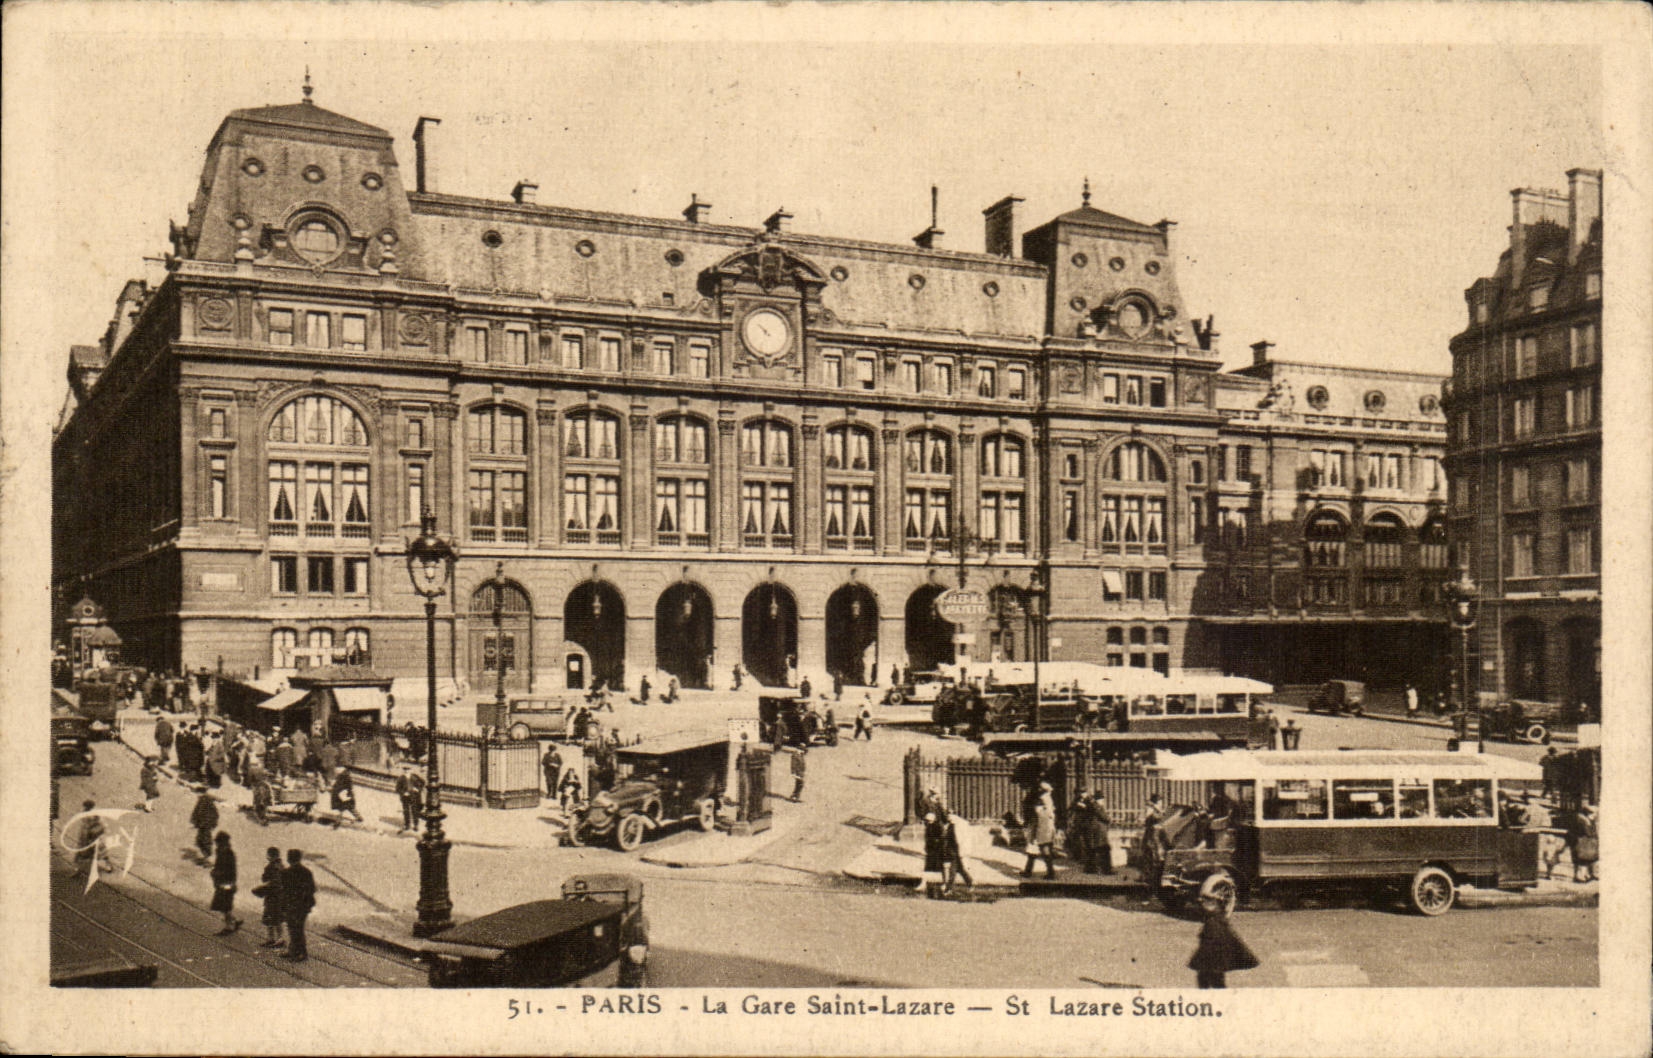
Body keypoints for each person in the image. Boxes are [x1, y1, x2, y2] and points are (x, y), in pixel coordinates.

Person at [1188, 892, 1259, 988]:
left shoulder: (1215, 921)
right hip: (1212, 954)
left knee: (1212, 979)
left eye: (1208, 902)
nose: (1204, 904)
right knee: (1209, 978)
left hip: (1213, 954)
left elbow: (1214, 940)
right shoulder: (1216, 918)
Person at [279, 849, 316, 961]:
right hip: (304, 905)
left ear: (289, 859)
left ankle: (301, 953)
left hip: (292, 905)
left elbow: (284, 889)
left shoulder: (286, 872)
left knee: (294, 929)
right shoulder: (307, 871)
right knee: (298, 928)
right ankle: (294, 950)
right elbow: (312, 889)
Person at [1021, 782, 1058, 880]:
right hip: (1046, 828)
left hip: (1041, 828)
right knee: (1035, 849)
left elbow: (1040, 816)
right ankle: (1028, 871)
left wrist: (1034, 831)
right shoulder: (1048, 799)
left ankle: (1050, 873)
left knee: (1043, 850)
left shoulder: (1042, 799)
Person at [252, 846, 285, 948]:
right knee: (276, 919)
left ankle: (274, 938)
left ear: (270, 856)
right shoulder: (281, 866)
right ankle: (277, 938)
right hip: (279, 897)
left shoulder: (271, 867)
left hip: (272, 897)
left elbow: (269, 881)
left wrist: (263, 886)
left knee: (272, 918)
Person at [210, 831, 242, 935]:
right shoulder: (222, 852)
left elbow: (228, 870)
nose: (217, 844)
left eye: (219, 842)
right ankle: (234, 921)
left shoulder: (227, 853)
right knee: (223, 905)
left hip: (226, 883)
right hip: (223, 883)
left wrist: (216, 873)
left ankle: (229, 926)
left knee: (224, 905)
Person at [941, 808, 973, 891]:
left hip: (959, 851)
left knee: (953, 870)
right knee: (960, 870)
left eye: (951, 815)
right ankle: (969, 883)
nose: (949, 817)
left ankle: (948, 889)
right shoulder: (949, 825)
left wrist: (964, 851)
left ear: (955, 815)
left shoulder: (962, 824)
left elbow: (966, 839)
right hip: (951, 850)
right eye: (948, 815)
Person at [919, 812, 947, 898]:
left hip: (938, 850)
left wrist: (938, 844)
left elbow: (942, 837)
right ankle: (923, 883)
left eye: (928, 820)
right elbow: (927, 838)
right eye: (927, 820)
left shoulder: (938, 826)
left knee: (942, 868)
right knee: (927, 868)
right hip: (931, 851)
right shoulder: (928, 826)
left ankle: (945, 884)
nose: (927, 822)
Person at [1569, 804, 1598, 882]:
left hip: (1580, 843)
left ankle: (1582, 876)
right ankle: (1580, 877)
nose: (1595, 816)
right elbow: (1589, 833)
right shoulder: (1584, 821)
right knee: (1583, 861)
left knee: (1582, 861)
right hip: (1583, 844)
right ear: (1589, 813)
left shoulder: (1581, 818)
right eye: (1594, 814)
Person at [190, 788, 219, 863]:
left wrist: (209, 823)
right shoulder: (202, 800)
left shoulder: (206, 800)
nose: (196, 794)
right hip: (203, 825)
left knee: (205, 840)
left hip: (206, 825)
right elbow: (197, 812)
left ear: (201, 792)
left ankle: (208, 859)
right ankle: (205, 857)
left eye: (197, 792)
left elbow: (214, 813)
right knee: (200, 840)